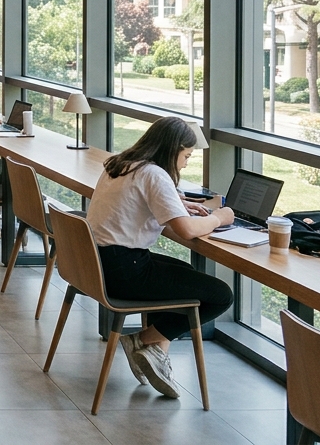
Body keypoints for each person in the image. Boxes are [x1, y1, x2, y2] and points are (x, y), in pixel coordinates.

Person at [88, 117, 235, 399]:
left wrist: (177, 201)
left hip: (102, 264)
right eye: (186, 156)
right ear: (173, 150)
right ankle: (147, 341)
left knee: (184, 273)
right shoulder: (154, 174)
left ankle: (154, 350)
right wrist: (219, 218)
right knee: (220, 294)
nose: (186, 163)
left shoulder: (121, 164)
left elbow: (137, 202)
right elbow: (187, 229)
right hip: (125, 273)